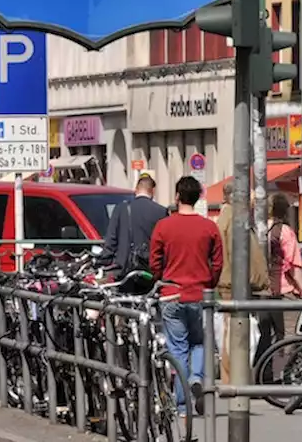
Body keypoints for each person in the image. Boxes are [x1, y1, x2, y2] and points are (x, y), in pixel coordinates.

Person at [149, 175, 223, 415]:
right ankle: (196, 378)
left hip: (172, 293)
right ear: (199, 197)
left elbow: (155, 261)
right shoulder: (209, 227)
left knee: (178, 348)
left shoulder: (163, 226)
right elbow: (218, 262)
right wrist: (209, 283)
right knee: (200, 341)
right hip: (200, 293)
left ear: (177, 196)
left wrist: (161, 278)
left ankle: (181, 404)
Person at [214, 181, 270, 384]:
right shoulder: (234, 219)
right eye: (251, 197)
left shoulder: (228, 217)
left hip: (234, 282)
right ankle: (234, 379)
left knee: (233, 331)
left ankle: (234, 377)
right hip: (234, 284)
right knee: (235, 332)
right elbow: (238, 253)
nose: (254, 202)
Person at [257, 193, 302, 364]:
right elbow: (294, 267)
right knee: (285, 335)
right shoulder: (286, 232)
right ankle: (280, 373)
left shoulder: (259, 229)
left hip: (261, 290)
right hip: (283, 291)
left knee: (263, 334)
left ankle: (262, 373)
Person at [99, 173, 167, 278]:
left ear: (136, 189)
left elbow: (111, 239)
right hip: (149, 270)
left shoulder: (121, 209)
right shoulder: (161, 211)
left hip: (124, 268)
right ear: (152, 191)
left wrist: (104, 261)